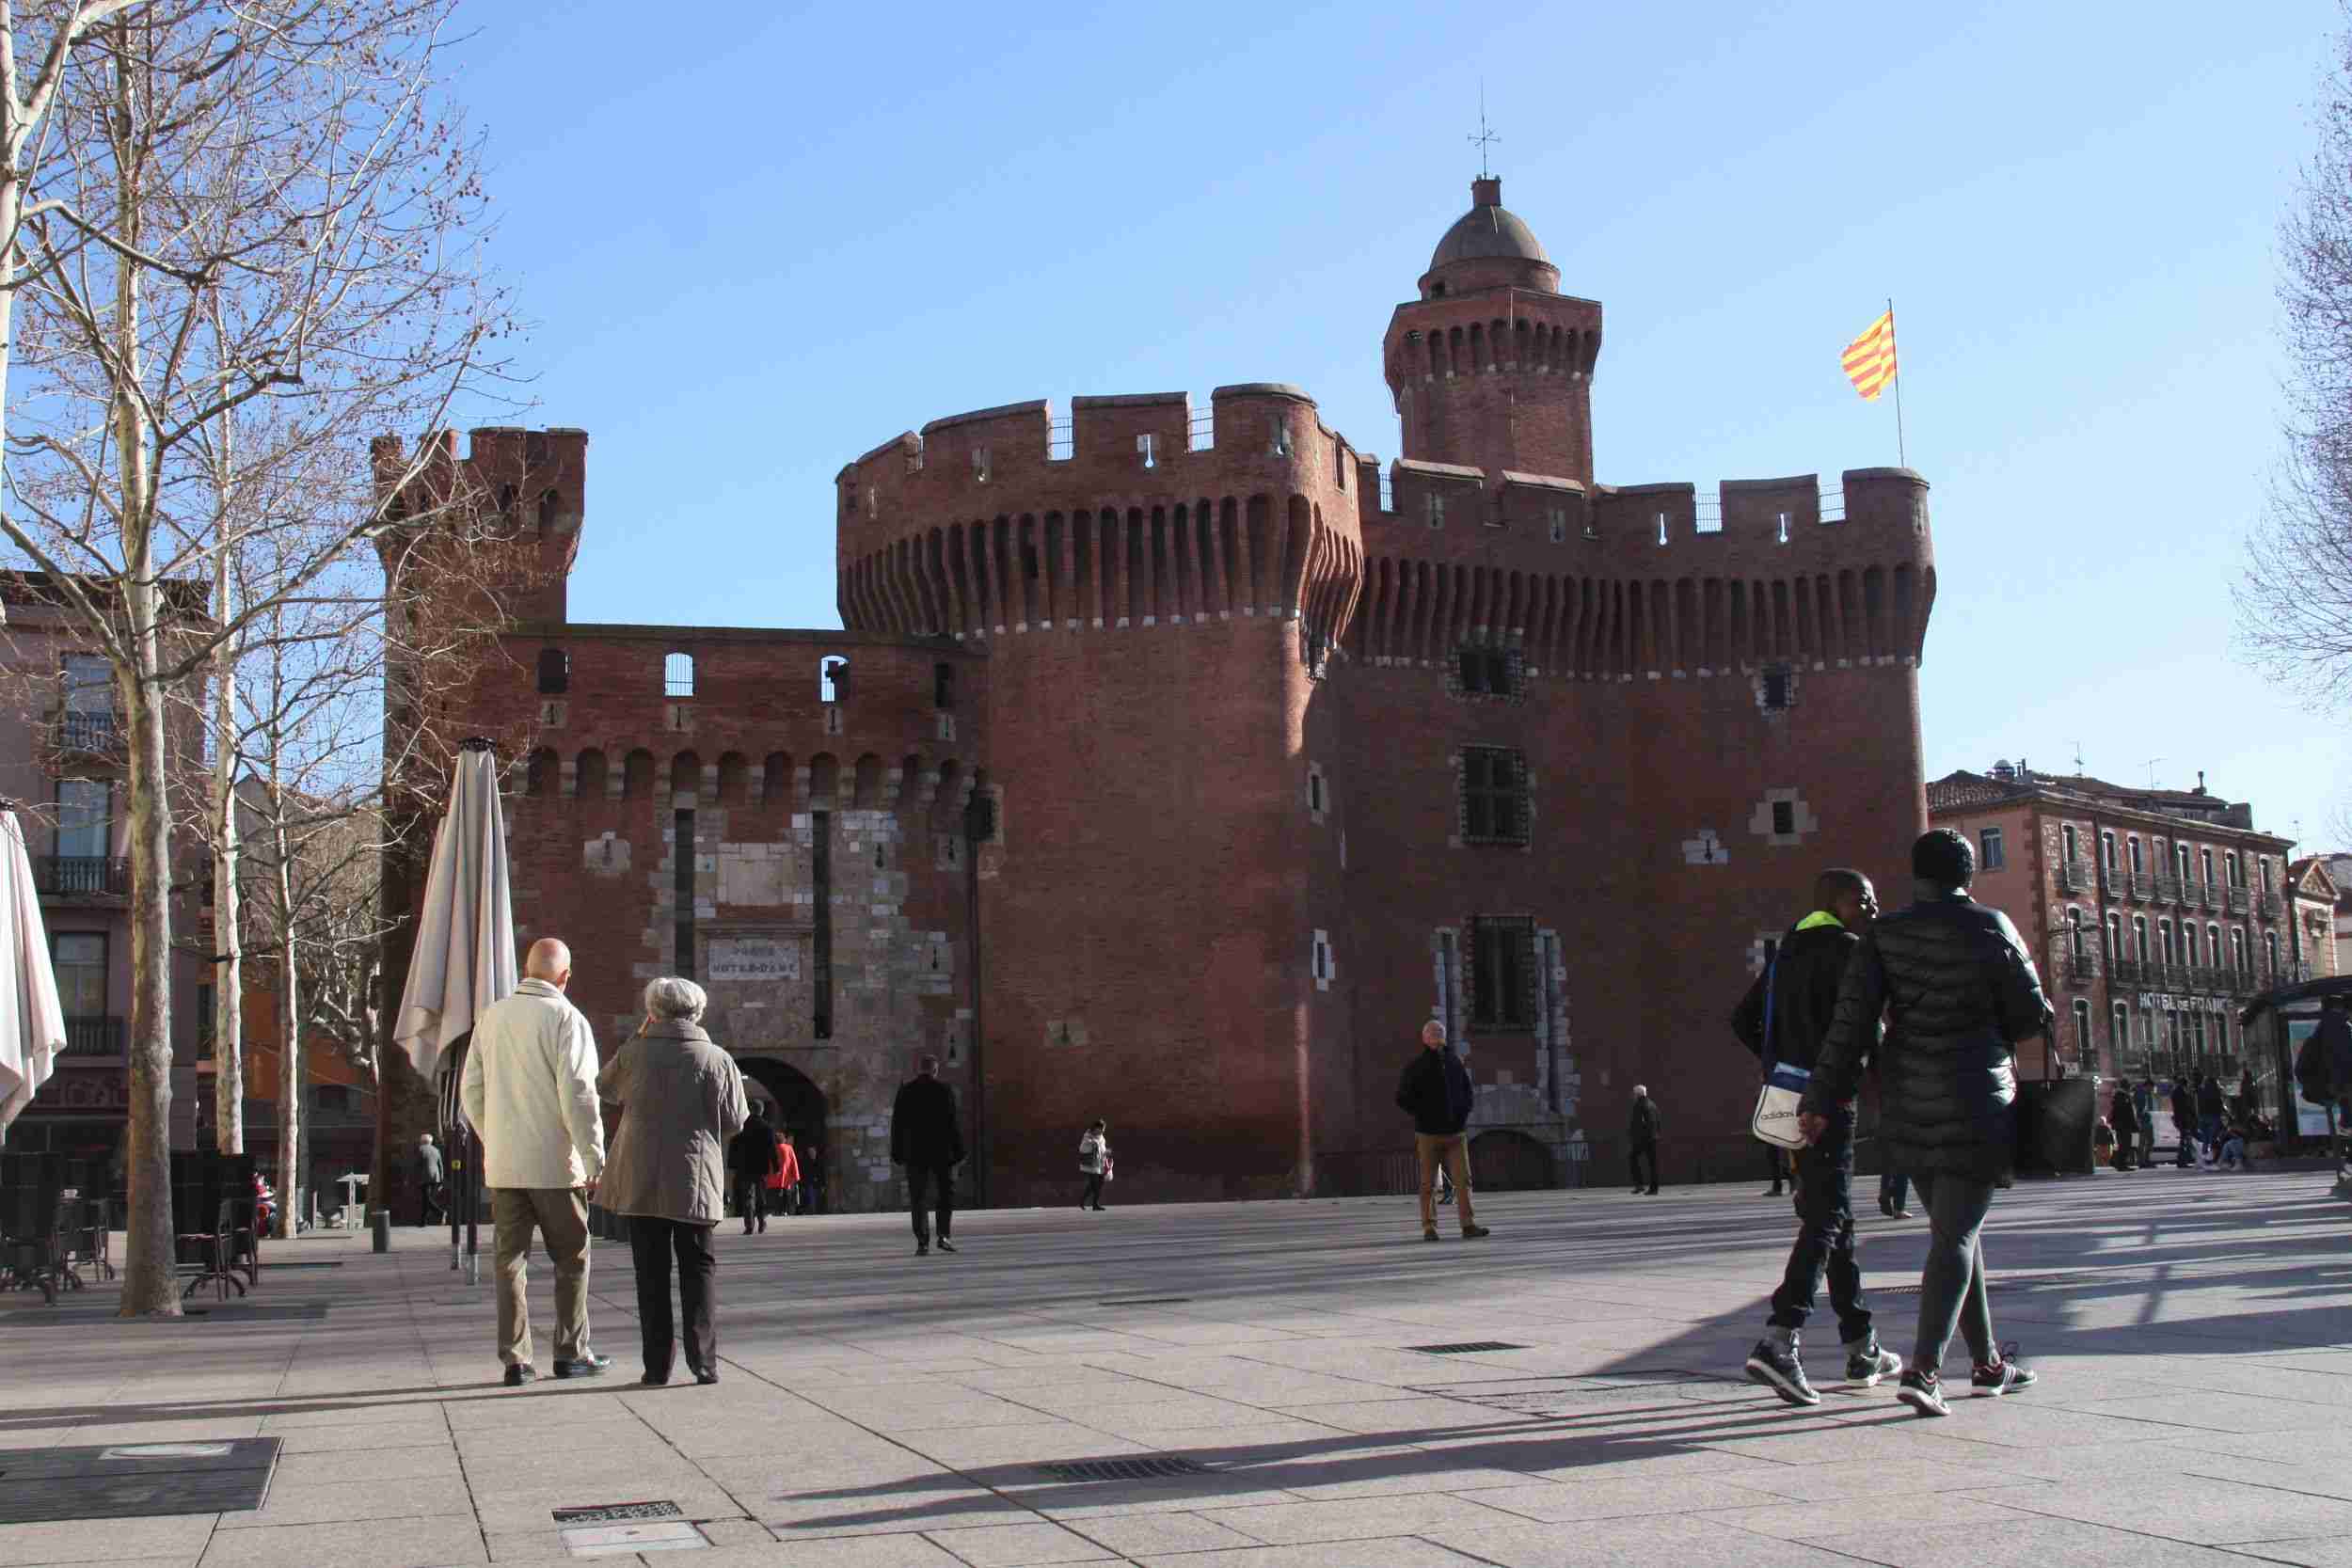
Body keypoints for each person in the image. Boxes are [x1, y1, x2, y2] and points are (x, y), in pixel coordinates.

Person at [1802, 829, 2051, 1419]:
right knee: (1956, 1235)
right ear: (1967, 875)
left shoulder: (1883, 936)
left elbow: (1850, 1024)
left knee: (1956, 1231)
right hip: (1977, 1096)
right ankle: (1925, 1371)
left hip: (1908, 1099)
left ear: (1916, 875)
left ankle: (1987, 1363)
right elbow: (2030, 1013)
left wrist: (1819, 1096)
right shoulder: (1993, 927)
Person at [1732, 868, 1899, 1406]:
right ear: (1842, 901)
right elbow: (1861, 1035)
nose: (1874, 908)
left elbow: (1742, 1020)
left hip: (1788, 1102)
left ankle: (1862, 1345)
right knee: (1827, 1218)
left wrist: (1784, 1064)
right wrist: (1834, 1088)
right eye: (1867, 899)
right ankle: (1780, 1338)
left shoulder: (1786, 952)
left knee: (1835, 1217)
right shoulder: (1850, 951)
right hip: (1828, 1106)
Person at [461, 937, 609, 1386]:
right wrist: (594, 1157)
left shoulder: (492, 1016)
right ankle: (570, 1351)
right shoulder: (567, 1017)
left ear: (527, 970)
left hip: (505, 1165)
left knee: (509, 1262)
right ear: (565, 976)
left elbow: (471, 1090)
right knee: (573, 1258)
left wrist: (496, 1136)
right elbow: (579, 1095)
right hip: (556, 1165)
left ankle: (516, 1360)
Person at [598, 976, 748, 1387]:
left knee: (650, 1273)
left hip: (641, 1178)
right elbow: (737, 1118)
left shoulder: (633, 1054)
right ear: (697, 1012)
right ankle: (704, 1363)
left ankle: (656, 1367)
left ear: (652, 1012)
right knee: (698, 1269)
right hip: (695, 1178)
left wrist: (639, 1037)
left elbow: (604, 1089)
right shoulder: (716, 1058)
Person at [1396, 1020, 1489, 1242]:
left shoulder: (1454, 1062)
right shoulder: (1416, 1066)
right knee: (1428, 1183)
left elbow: (1467, 1092)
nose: (1436, 1035)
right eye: (1432, 1032)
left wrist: (1462, 1115)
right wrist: (1422, 1114)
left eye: (1439, 1031)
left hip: (1456, 1133)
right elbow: (1402, 1097)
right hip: (1428, 1134)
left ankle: (1468, 1225)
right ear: (1424, 1038)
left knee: (1463, 1180)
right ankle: (1429, 1227)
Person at [890, 1055, 965, 1256]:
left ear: (919, 1070)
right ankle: (943, 1236)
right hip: (942, 1152)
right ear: (935, 1071)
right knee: (945, 1195)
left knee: (918, 1198)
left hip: (915, 1153)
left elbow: (897, 1125)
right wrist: (959, 1151)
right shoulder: (944, 1090)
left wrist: (896, 1152)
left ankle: (922, 1242)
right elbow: (953, 1123)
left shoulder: (906, 1091)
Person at [727, 1106, 779, 1235]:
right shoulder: (766, 1127)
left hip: (744, 1167)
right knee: (761, 1195)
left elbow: (733, 1145)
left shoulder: (741, 1126)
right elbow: (772, 1148)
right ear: (761, 1111)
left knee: (748, 1196)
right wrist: (776, 1165)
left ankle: (749, 1225)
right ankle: (762, 1221)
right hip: (761, 1166)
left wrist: (732, 1164)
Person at [1629, 1085, 1662, 1195]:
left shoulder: (1639, 1105)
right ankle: (1654, 1188)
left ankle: (1639, 1185)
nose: (1633, 1096)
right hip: (1654, 1137)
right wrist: (1657, 1134)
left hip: (1644, 1139)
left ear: (1637, 1094)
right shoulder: (1653, 1104)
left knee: (1632, 1158)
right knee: (1653, 1164)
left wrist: (1634, 1137)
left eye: (1634, 1094)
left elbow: (1637, 1124)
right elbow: (1658, 1120)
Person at [1078, 1120, 1111, 1211]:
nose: (1103, 1131)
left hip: (1100, 1163)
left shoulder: (1101, 1137)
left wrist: (1106, 1153)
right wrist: (1092, 1143)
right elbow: (1082, 1148)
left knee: (1099, 1184)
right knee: (1094, 1184)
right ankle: (1094, 1204)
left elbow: (1103, 1149)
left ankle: (1088, 1202)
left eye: (1103, 1129)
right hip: (1091, 1164)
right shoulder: (1088, 1136)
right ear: (1096, 1128)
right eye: (1101, 1129)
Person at [413, 1132, 445, 1227]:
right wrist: (441, 1180)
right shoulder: (436, 1150)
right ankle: (422, 1222)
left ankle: (441, 1213)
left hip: (424, 1177)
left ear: (422, 1141)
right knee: (426, 1199)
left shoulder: (420, 1149)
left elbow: (417, 1164)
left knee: (426, 1199)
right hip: (435, 1177)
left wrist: (413, 1177)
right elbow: (441, 1165)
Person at [2107, 1081, 2138, 1171]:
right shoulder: (2122, 1096)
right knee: (2125, 1144)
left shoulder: (2120, 1095)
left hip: (2122, 1125)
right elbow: (2126, 1113)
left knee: (2123, 1144)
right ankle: (2121, 1164)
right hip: (2123, 1125)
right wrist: (2133, 1124)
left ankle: (2118, 1163)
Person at [770, 1131, 801, 1217]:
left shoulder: (773, 1149)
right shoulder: (789, 1148)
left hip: (775, 1177)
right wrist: (796, 1175)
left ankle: (776, 1210)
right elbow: (794, 1162)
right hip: (786, 1176)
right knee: (786, 1194)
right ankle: (785, 1211)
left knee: (775, 1194)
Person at [2170, 1078, 2199, 1169]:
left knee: (2184, 1140)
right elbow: (2185, 1106)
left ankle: (2182, 1160)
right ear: (2185, 1084)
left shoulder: (2176, 1092)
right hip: (2183, 1119)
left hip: (2180, 1119)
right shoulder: (2181, 1093)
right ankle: (2182, 1160)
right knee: (2184, 1140)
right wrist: (2193, 1115)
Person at [2196, 1072, 2226, 1158]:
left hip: (2202, 1117)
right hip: (2213, 1116)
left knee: (2205, 1138)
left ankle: (2204, 1155)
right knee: (2213, 1138)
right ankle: (2212, 1157)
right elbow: (2220, 1103)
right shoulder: (2216, 1090)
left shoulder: (2201, 1091)